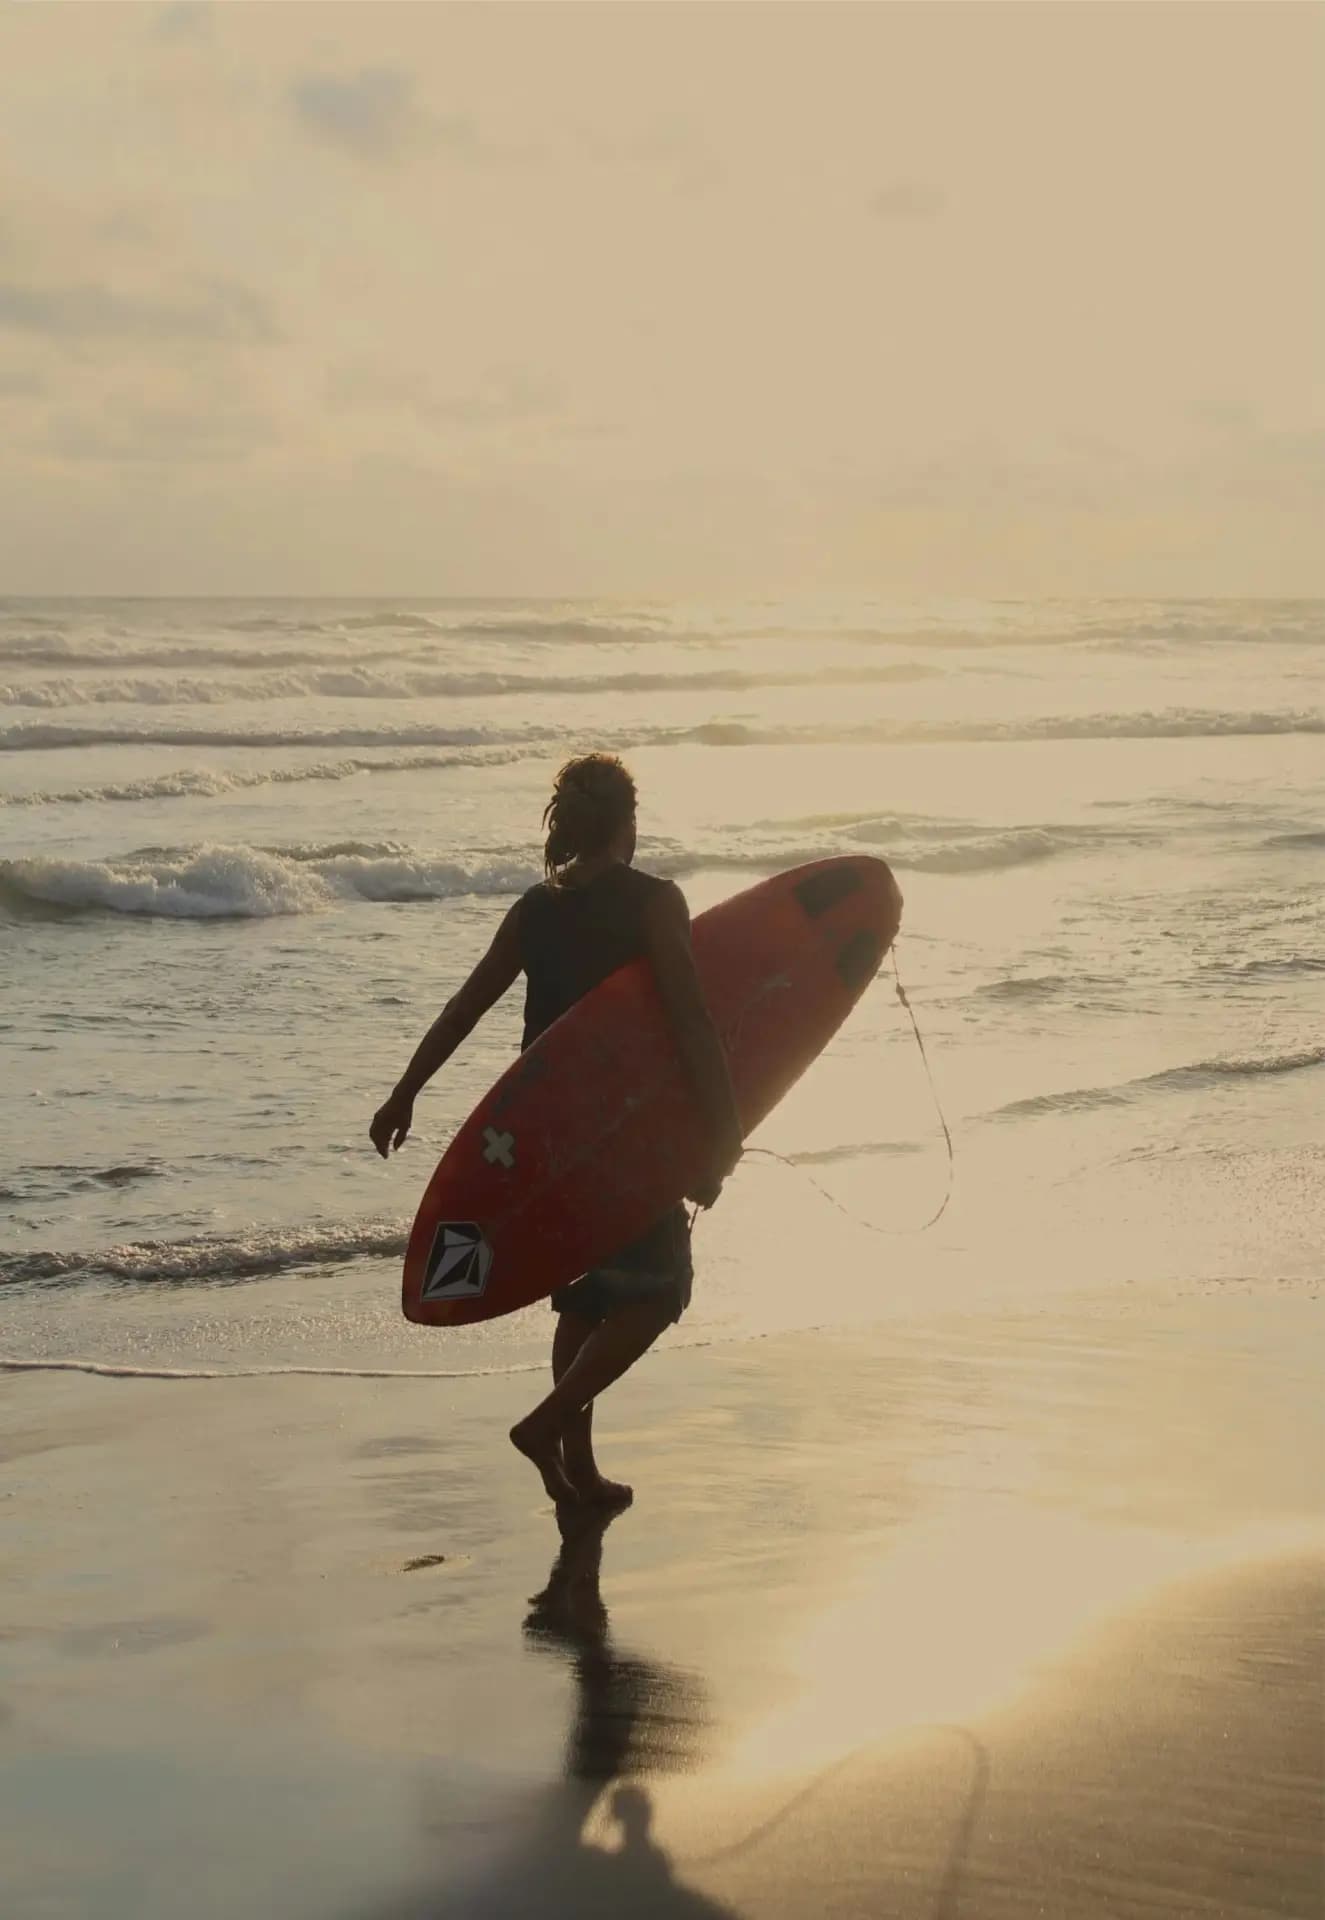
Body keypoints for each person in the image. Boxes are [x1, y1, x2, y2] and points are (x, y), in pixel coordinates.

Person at [370, 752, 743, 1509]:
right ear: (627, 824)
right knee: (658, 1291)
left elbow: (463, 1008)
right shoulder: (653, 901)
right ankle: (545, 1425)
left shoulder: (535, 909)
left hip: (543, 1132)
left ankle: (579, 1468)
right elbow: (692, 1019)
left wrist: (403, 1094)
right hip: (622, 1131)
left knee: (582, 1293)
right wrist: (722, 1128)